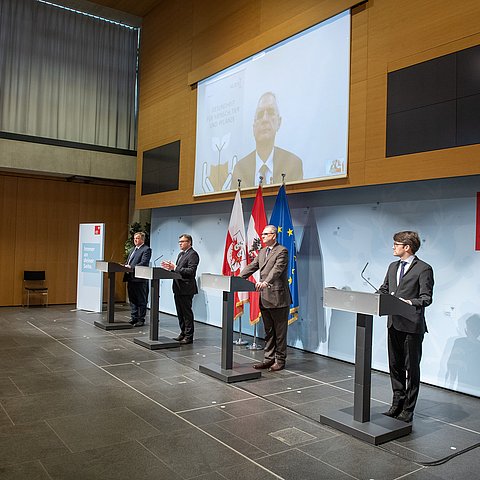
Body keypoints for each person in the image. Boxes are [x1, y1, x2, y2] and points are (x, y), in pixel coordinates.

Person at [378, 231, 434, 423]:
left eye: (396, 244)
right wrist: (374, 297)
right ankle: (396, 403)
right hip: (393, 323)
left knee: (411, 368)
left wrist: (408, 302)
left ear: (407, 247)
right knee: (395, 366)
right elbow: (384, 289)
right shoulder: (392, 266)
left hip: (411, 325)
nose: (393, 247)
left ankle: (408, 409)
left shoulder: (424, 268)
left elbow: (426, 298)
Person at [239, 225, 292, 371]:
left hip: (278, 297)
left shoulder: (282, 251)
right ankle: (269, 359)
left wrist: (266, 282)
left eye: (265, 234)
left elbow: (277, 270)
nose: (262, 237)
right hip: (265, 297)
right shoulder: (262, 251)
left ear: (273, 235)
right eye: (262, 234)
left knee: (279, 332)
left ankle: (280, 360)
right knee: (268, 331)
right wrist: (236, 278)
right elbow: (252, 266)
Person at [231, 92, 303, 188]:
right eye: (260, 114)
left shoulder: (293, 164)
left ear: (279, 122)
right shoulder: (240, 169)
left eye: (270, 112)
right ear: (253, 127)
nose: (265, 119)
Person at [161, 234, 200, 344]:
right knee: (180, 312)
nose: (180, 243)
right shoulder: (181, 254)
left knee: (186, 313)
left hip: (186, 288)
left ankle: (189, 336)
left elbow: (191, 271)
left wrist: (175, 268)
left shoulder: (193, 254)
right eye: (179, 242)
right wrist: (171, 269)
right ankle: (182, 333)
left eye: (182, 241)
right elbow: (179, 270)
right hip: (178, 287)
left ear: (189, 242)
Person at [123, 232, 152, 327]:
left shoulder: (146, 249)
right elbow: (128, 261)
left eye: (138, 238)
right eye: (135, 238)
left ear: (142, 239)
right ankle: (134, 317)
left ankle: (141, 319)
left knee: (141, 300)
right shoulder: (132, 249)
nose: (135, 240)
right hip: (130, 277)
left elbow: (144, 263)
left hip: (140, 278)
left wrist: (130, 267)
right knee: (132, 299)